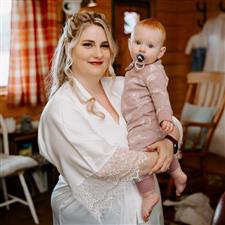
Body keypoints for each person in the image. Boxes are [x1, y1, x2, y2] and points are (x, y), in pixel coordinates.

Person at [38, 11, 183, 225]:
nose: (98, 53)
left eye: (104, 45)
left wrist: (169, 142)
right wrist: (164, 157)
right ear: (70, 48)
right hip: (94, 215)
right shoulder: (61, 108)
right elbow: (105, 164)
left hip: (144, 208)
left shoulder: (124, 86)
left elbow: (173, 122)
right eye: (87, 44)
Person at [121, 18, 187, 222]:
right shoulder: (135, 68)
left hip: (147, 123)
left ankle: (149, 193)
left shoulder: (153, 71)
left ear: (160, 53)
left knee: (137, 153)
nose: (142, 49)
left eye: (150, 46)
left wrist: (165, 118)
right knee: (159, 150)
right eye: (138, 42)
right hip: (142, 122)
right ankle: (177, 173)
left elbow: (160, 95)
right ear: (130, 43)